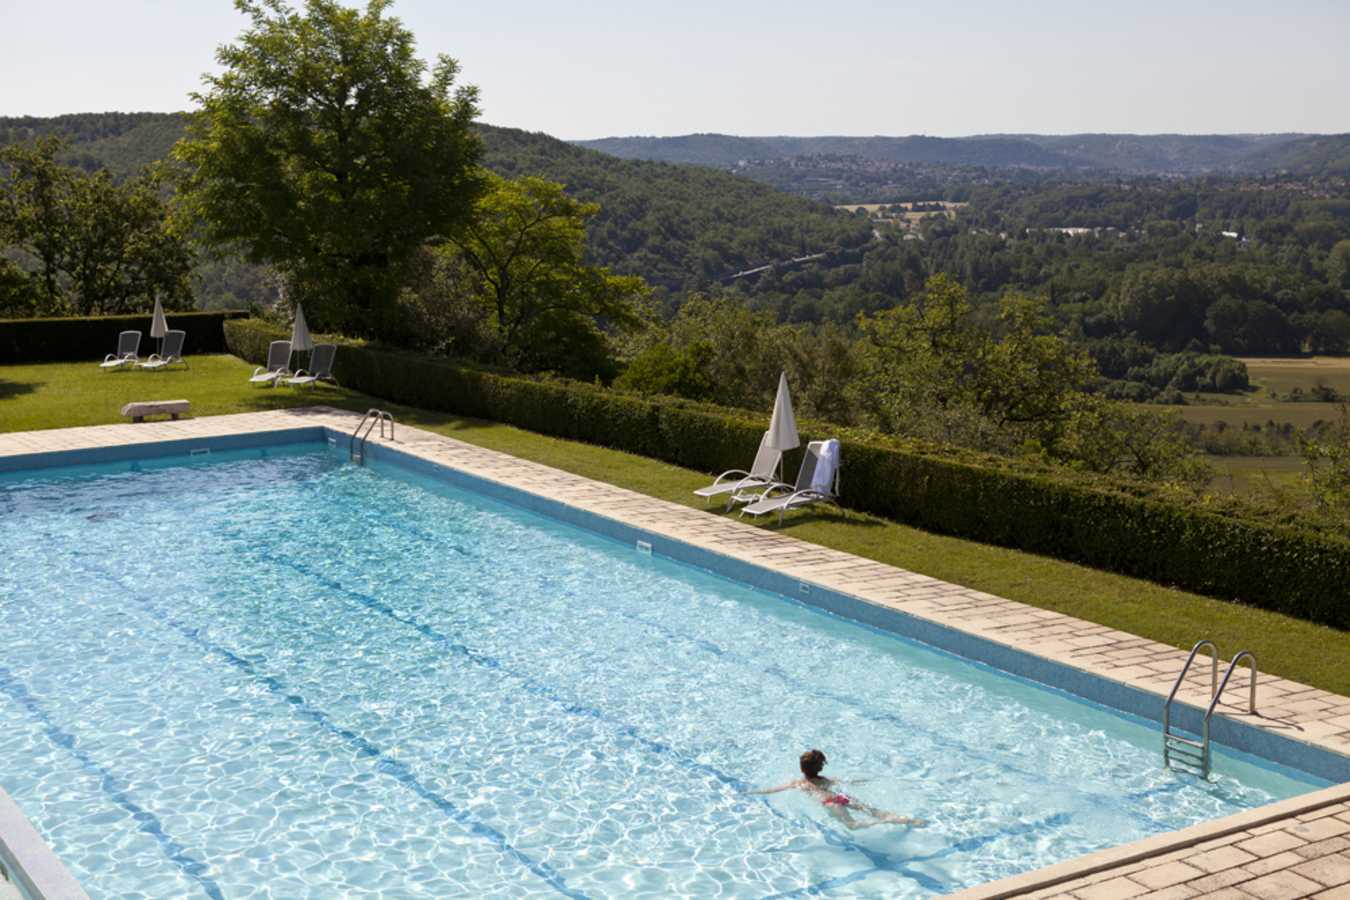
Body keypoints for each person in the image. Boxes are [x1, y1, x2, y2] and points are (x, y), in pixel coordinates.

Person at [752, 749, 925, 831]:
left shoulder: (798, 783)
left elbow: (772, 790)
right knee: (875, 811)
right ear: (820, 767)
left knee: (853, 825)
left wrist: (752, 793)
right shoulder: (826, 780)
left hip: (830, 803)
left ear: (801, 767)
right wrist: (868, 780)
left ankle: (884, 822)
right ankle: (906, 820)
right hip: (841, 797)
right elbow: (848, 782)